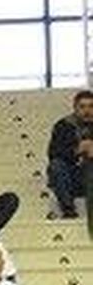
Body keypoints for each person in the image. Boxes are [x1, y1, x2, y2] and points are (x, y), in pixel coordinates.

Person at [46, 89, 93, 220]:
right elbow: (53, 153)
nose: (87, 111)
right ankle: (68, 210)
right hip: (73, 178)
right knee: (56, 166)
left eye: (91, 106)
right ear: (75, 108)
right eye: (82, 106)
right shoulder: (63, 125)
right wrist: (77, 149)